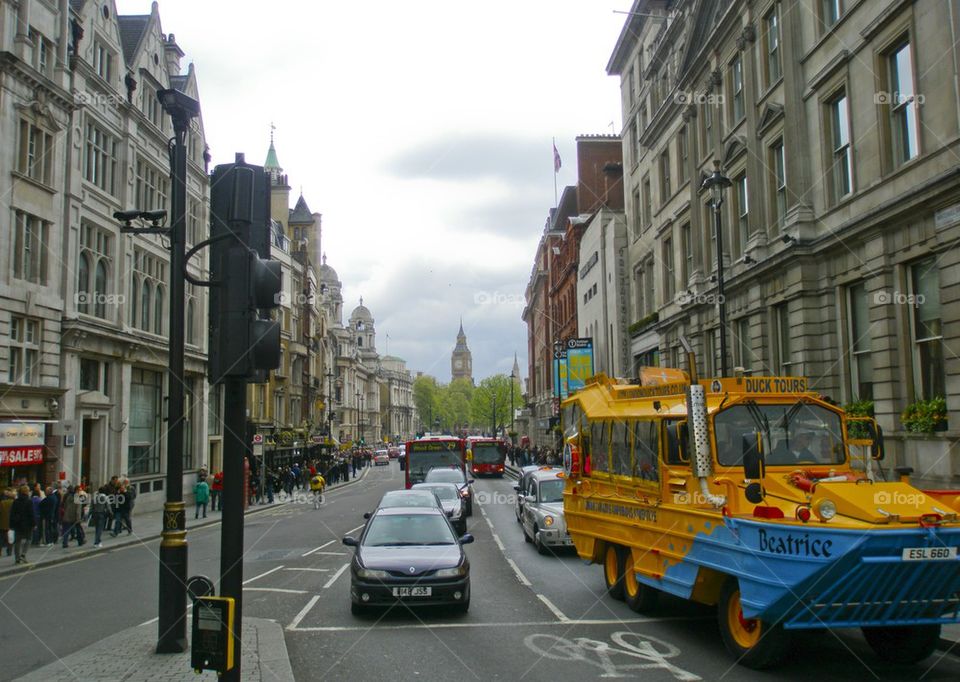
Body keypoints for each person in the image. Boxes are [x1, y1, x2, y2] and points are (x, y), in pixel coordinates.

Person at [10, 485, 36, 564]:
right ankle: (23, 555)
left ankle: (17, 558)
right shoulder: (29, 501)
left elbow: (12, 513)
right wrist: (34, 524)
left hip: (17, 524)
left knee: (17, 541)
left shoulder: (16, 501)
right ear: (26, 492)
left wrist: (11, 524)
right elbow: (31, 514)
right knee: (29, 539)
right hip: (27, 524)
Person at [0, 488, 14, 557]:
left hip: (2, 523)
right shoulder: (14, 503)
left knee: (1, 538)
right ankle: (9, 551)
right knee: (10, 538)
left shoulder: (2, 503)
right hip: (11, 523)